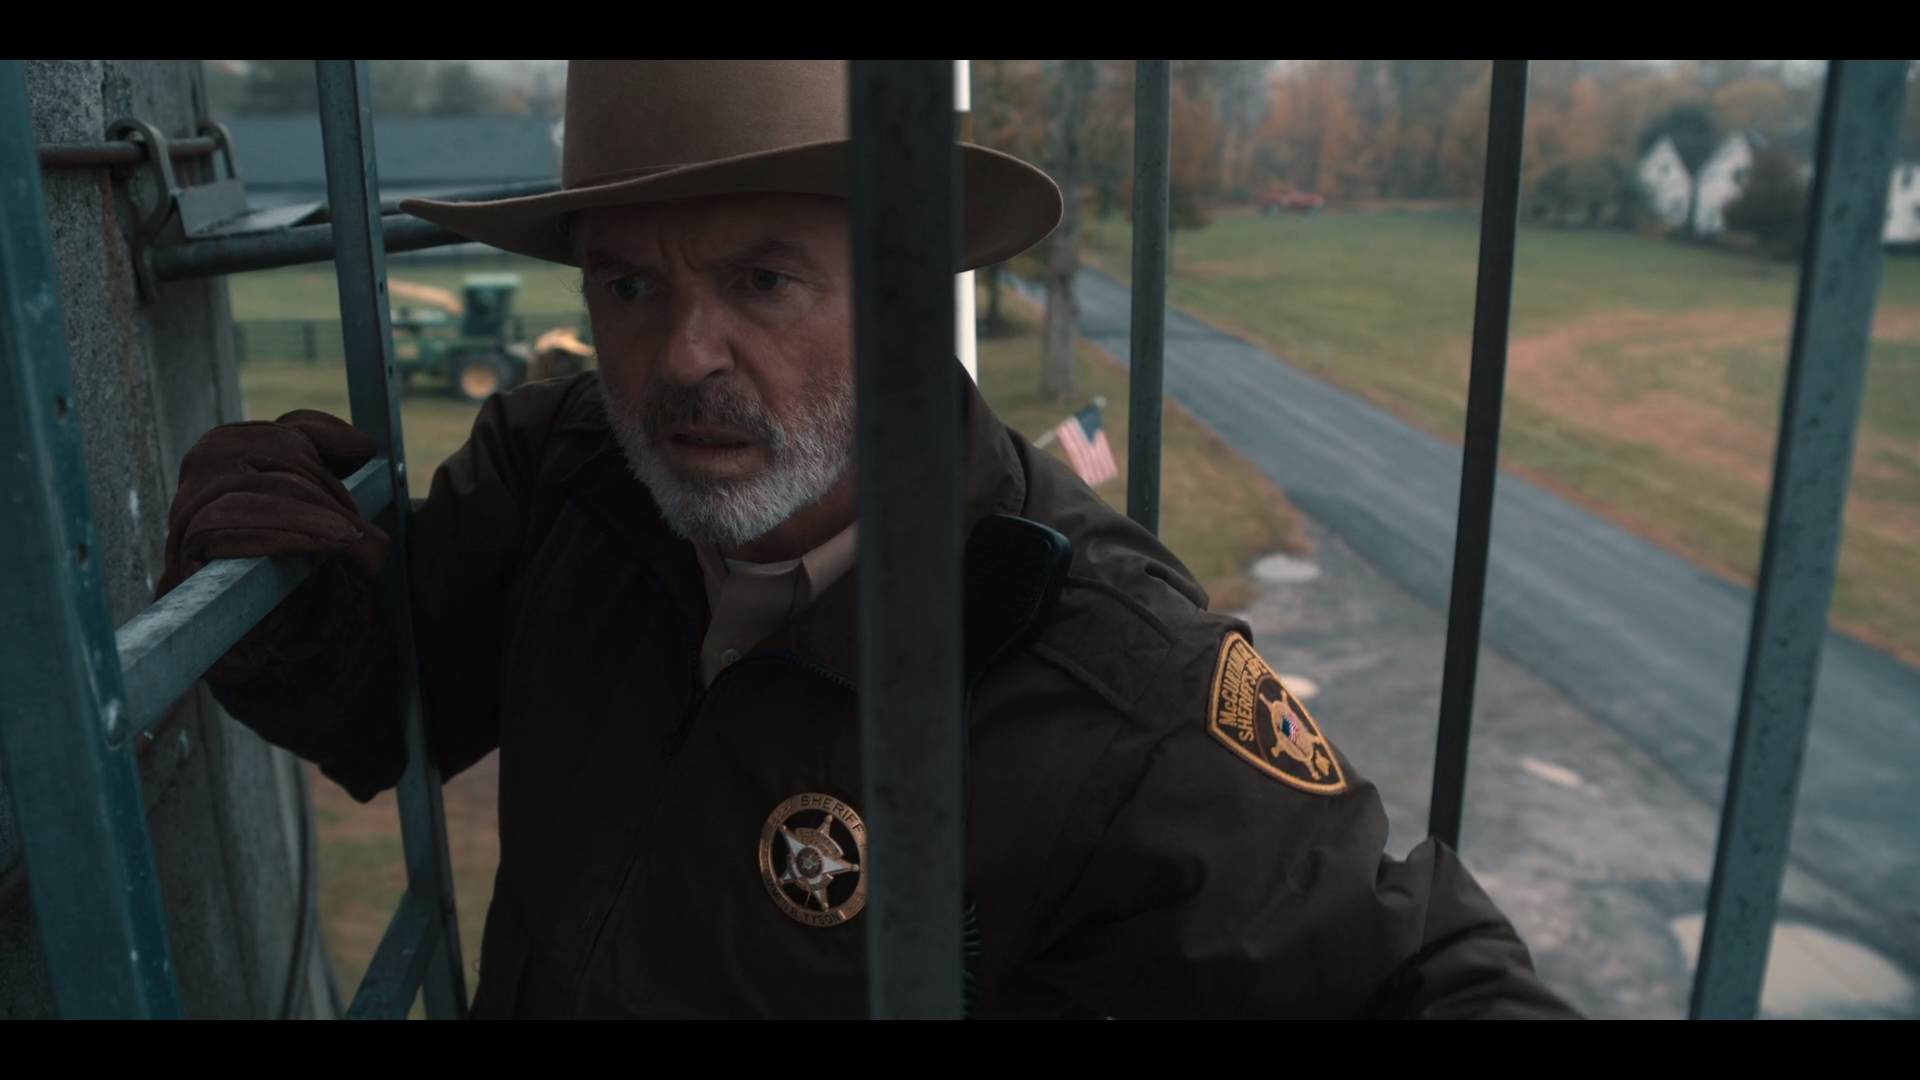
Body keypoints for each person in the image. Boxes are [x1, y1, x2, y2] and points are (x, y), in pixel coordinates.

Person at [163, 60, 1574, 1018]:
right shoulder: (569, 475)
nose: (681, 357)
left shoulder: (1107, 680)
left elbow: (1410, 977)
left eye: (762, 279)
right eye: (629, 286)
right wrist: (275, 584)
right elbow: (389, 694)